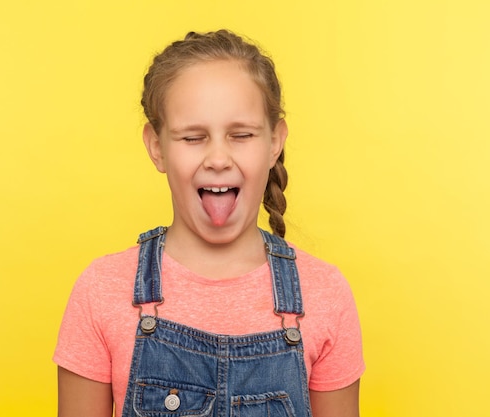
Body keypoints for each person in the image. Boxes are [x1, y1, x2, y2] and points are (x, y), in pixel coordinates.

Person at [54, 29, 365, 417]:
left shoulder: (326, 295)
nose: (218, 158)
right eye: (192, 137)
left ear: (274, 142)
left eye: (241, 134)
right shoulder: (100, 291)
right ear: (156, 146)